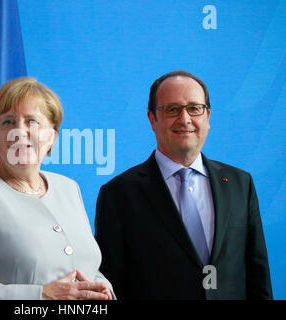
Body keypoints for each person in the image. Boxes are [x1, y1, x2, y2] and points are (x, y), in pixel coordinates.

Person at [95, 70, 273, 300]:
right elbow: (112, 285)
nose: (185, 119)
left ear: (208, 116)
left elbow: (258, 273)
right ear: (152, 119)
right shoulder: (119, 193)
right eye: (172, 109)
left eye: (194, 108)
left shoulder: (240, 183)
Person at [0, 77, 113, 300]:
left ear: (52, 137)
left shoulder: (68, 188)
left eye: (32, 122)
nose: (20, 132)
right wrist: (41, 296)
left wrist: (104, 290)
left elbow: (88, 266)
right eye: (8, 122)